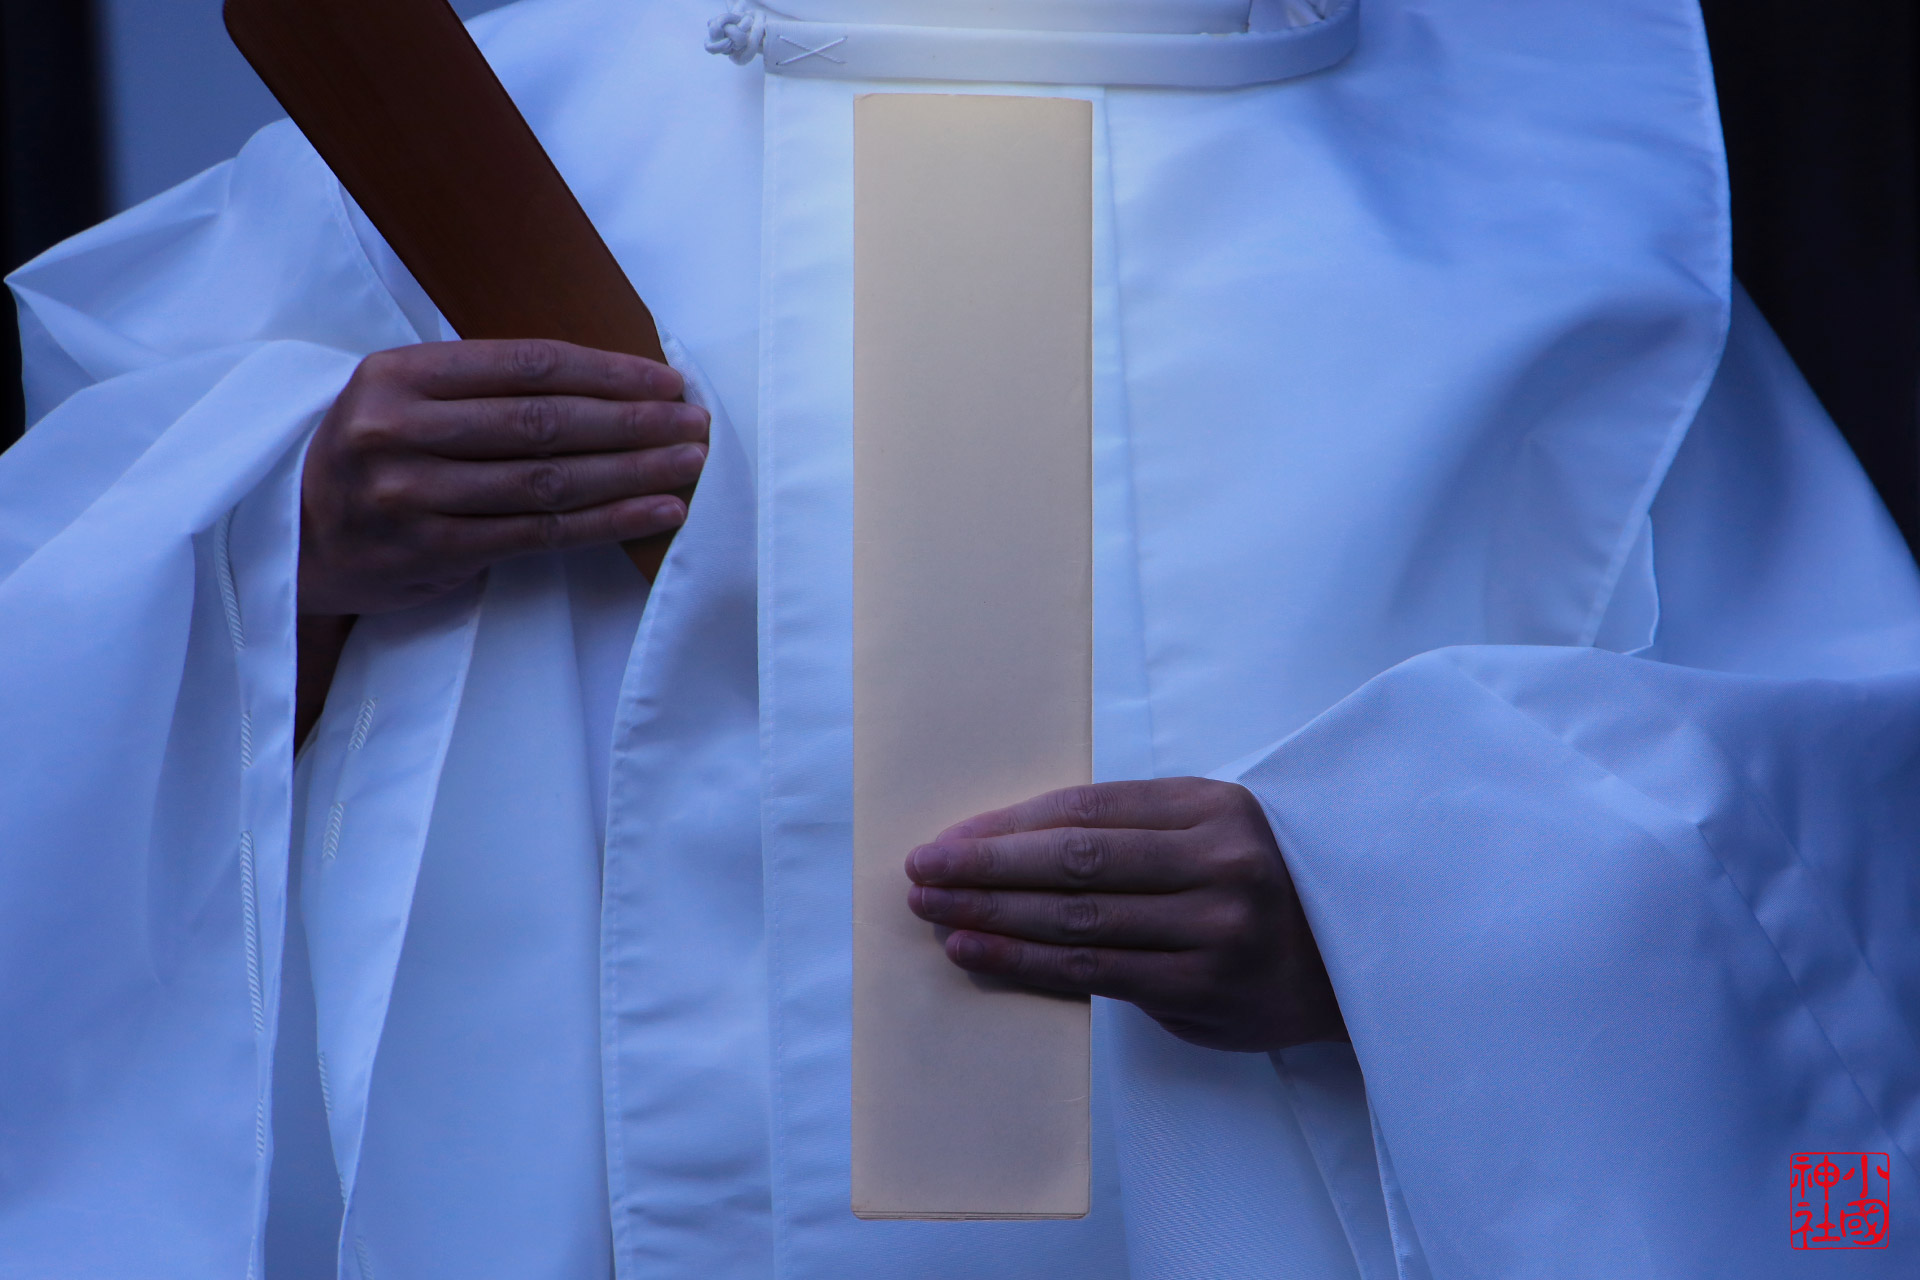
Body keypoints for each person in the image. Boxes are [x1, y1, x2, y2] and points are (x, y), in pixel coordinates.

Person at [3, 0, 1915, 1275]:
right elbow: (66, 642)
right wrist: (290, 537)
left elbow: (1829, 819)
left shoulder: (1541, 202)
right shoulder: (498, 120)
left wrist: (1397, 912)